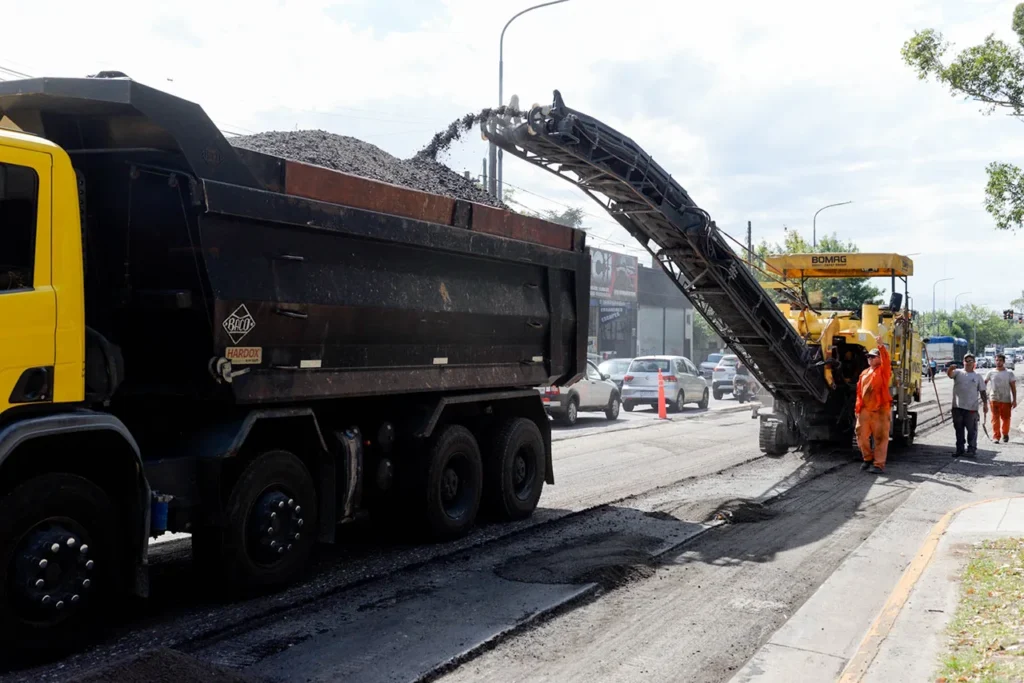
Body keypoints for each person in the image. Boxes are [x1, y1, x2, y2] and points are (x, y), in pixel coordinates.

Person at [856, 336, 891, 474]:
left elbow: (886, 360)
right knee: (860, 434)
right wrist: (857, 409)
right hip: (865, 409)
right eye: (868, 357)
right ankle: (867, 458)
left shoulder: (883, 371)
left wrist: (881, 347)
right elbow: (859, 392)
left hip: (880, 409)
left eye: (873, 357)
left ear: (879, 358)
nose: (870, 359)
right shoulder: (864, 373)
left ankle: (878, 464)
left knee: (880, 437)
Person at [946, 354, 988, 457]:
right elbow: (950, 374)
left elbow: (982, 391)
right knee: (959, 430)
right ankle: (959, 449)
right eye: (966, 360)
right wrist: (950, 369)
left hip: (971, 408)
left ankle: (971, 449)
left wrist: (985, 404)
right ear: (963, 362)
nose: (968, 362)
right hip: (957, 407)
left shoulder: (977, 376)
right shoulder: (958, 373)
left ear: (974, 363)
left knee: (972, 430)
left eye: (970, 361)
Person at [985, 353, 1017, 443]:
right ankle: (996, 436)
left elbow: (1013, 388)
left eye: (1000, 360)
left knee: (1006, 418)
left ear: (1003, 361)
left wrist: (1014, 400)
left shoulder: (1009, 373)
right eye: (997, 360)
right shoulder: (990, 372)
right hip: (994, 398)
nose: (998, 362)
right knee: (995, 418)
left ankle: (1005, 433)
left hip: (1006, 399)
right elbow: (984, 383)